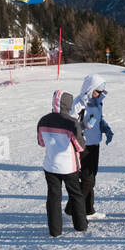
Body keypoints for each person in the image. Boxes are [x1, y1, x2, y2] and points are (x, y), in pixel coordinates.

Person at [37, 90, 87, 237]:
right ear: (68, 105)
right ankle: (80, 225)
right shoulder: (71, 122)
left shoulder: (43, 120)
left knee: (53, 196)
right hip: (69, 166)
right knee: (75, 194)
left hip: (50, 165)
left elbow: (41, 142)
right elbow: (80, 146)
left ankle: (55, 230)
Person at [69, 74, 113, 220]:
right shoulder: (79, 103)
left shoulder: (98, 103)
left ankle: (89, 210)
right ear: (90, 88)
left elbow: (100, 119)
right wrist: (83, 126)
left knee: (92, 177)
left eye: (101, 92)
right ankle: (72, 208)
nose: (99, 94)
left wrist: (105, 128)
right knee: (87, 179)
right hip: (82, 146)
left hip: (95, 144)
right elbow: (70, 125)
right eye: (97, 91)